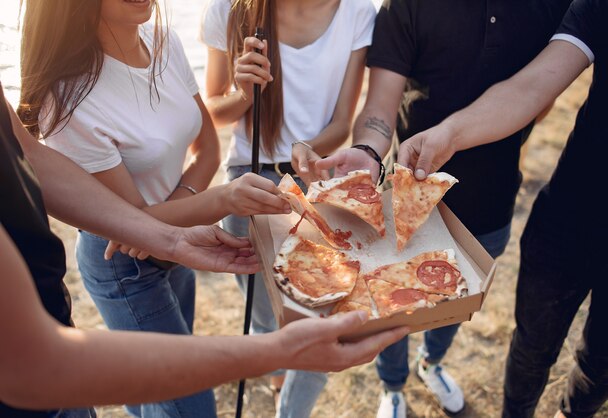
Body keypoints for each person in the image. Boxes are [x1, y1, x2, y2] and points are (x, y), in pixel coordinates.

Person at [1, 81, 408, 417]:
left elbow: (29, 153)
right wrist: (275, 352)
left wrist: (170, 238)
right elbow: (31, 365)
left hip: (58, 332)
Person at [296, 0, 571, 416]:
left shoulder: (551, 6)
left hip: (491, 205)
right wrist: (369, 149)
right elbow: (379, 107)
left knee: (454, 307)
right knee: (390, 306)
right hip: (405, 207)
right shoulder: (405, 6)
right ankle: (392, 386)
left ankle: (432, 362)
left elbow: (540, 97)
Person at [18, 1, 290, 416]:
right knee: (190, 404)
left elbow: (209, 148)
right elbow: (129, 227)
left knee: (158, 397)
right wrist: (218, 200)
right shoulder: (67, 96)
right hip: (125, 267)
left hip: (182, 245)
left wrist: (178, 215)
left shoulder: (163, 40)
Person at [392, 0, 608, 416]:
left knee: (604, 363)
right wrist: (450, 133)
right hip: (572, 214)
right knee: (530, 349)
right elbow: (532, 87)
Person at [200, 0, 376, 414]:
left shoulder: (358, 12)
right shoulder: (228, 9)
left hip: (314, 180)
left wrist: (308, 149)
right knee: (266, 318)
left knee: (322, 328)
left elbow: (341, 124)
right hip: (248, 181)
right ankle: (277, 374)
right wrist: (244, 93)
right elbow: (211, 111)